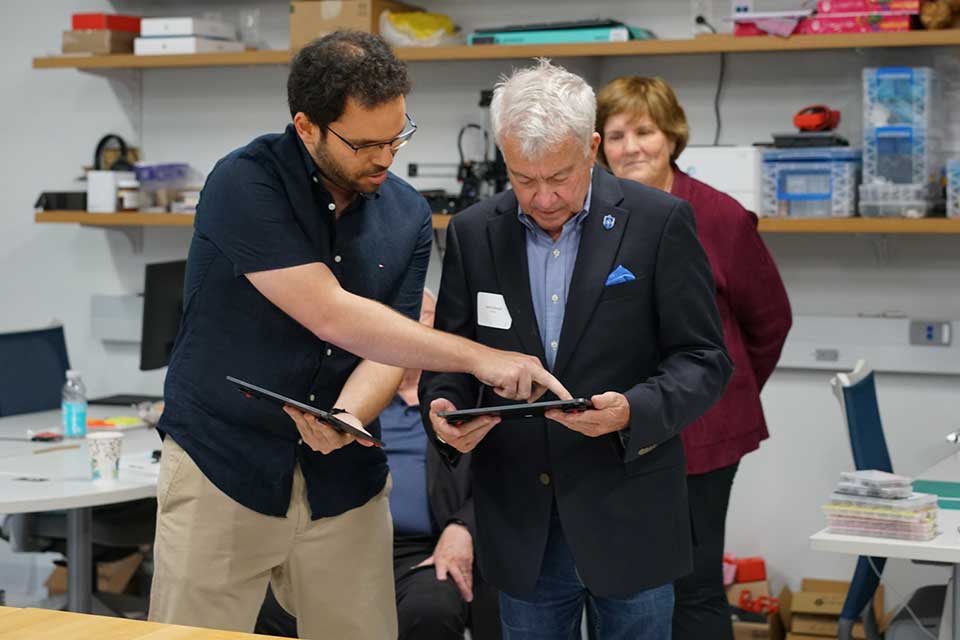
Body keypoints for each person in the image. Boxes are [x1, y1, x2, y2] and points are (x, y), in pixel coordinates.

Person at [148, 32, 567, 640]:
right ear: (307, 126)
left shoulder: (406, 215)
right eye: (365, 143)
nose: (385, 157)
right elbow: (332, 314)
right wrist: (481, 358)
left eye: (398, 135)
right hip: (225, 464)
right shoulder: (245, 184)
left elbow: (387, 344)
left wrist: (346, 415)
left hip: (344, 481)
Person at [419, 59, 733, 640]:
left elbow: (705, 360)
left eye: (559, 176)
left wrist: (633, 411)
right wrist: (443, 412)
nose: (541, 197)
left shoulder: (658, 222)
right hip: (521, 522)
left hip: (628, 511)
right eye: (522, 177)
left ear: (592, 147)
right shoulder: (473, 231)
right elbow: (453, 358)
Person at [596, 75, 793, 640]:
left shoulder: (721, 218)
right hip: (621, 426)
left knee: (695, 583)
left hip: (702, 433)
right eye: (616, 135)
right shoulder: (599, 216)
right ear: (598, 145)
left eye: (644, 131)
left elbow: (770, 322)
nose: (631, 147)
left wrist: (723, 390)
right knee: (627, 582)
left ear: (672, 136)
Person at [254, 291, 501, 640]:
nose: (407, 327)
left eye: (423, 315)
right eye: (397, 318)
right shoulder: (354, 398)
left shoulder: (461, 404)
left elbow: (501, 480)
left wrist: (464, 528)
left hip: (423, 551)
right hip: (345, 541)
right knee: (271, 608)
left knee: (430, 610)